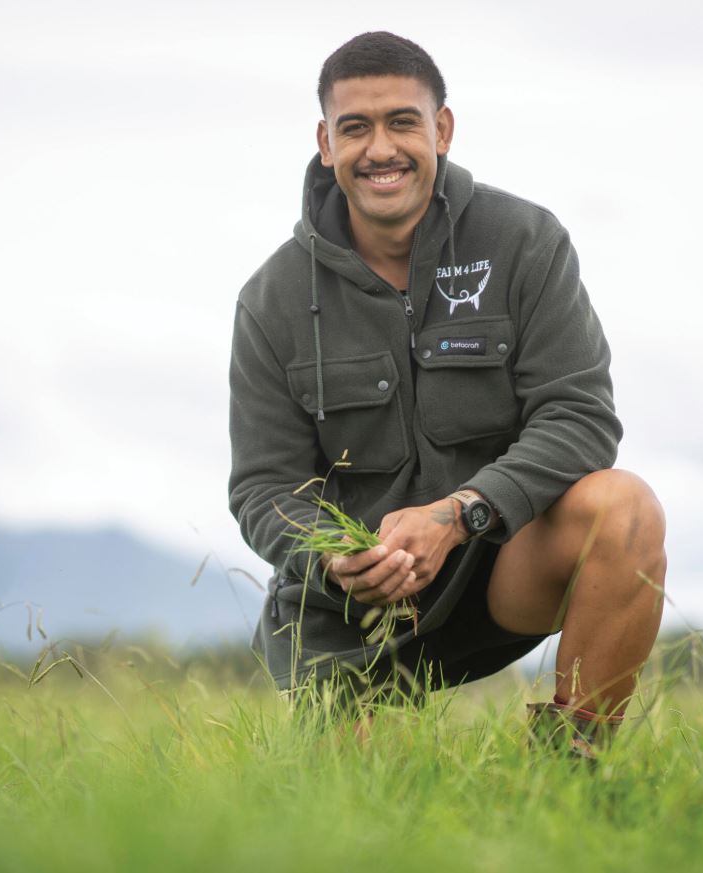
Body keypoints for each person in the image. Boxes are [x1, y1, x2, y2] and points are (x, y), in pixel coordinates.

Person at [227, 31, 667, 756]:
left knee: (625, 508)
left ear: (442, 129)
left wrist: (459, 515)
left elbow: (580, 417)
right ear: (326, 143)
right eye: (355, 128)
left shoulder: (526, 241)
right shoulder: (269, 299)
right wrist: (334, 558)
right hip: (350, 612)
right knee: (363, 806)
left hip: (498, 562)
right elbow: (263, 487)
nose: (380, 149)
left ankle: (573, 771)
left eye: (402, 122)